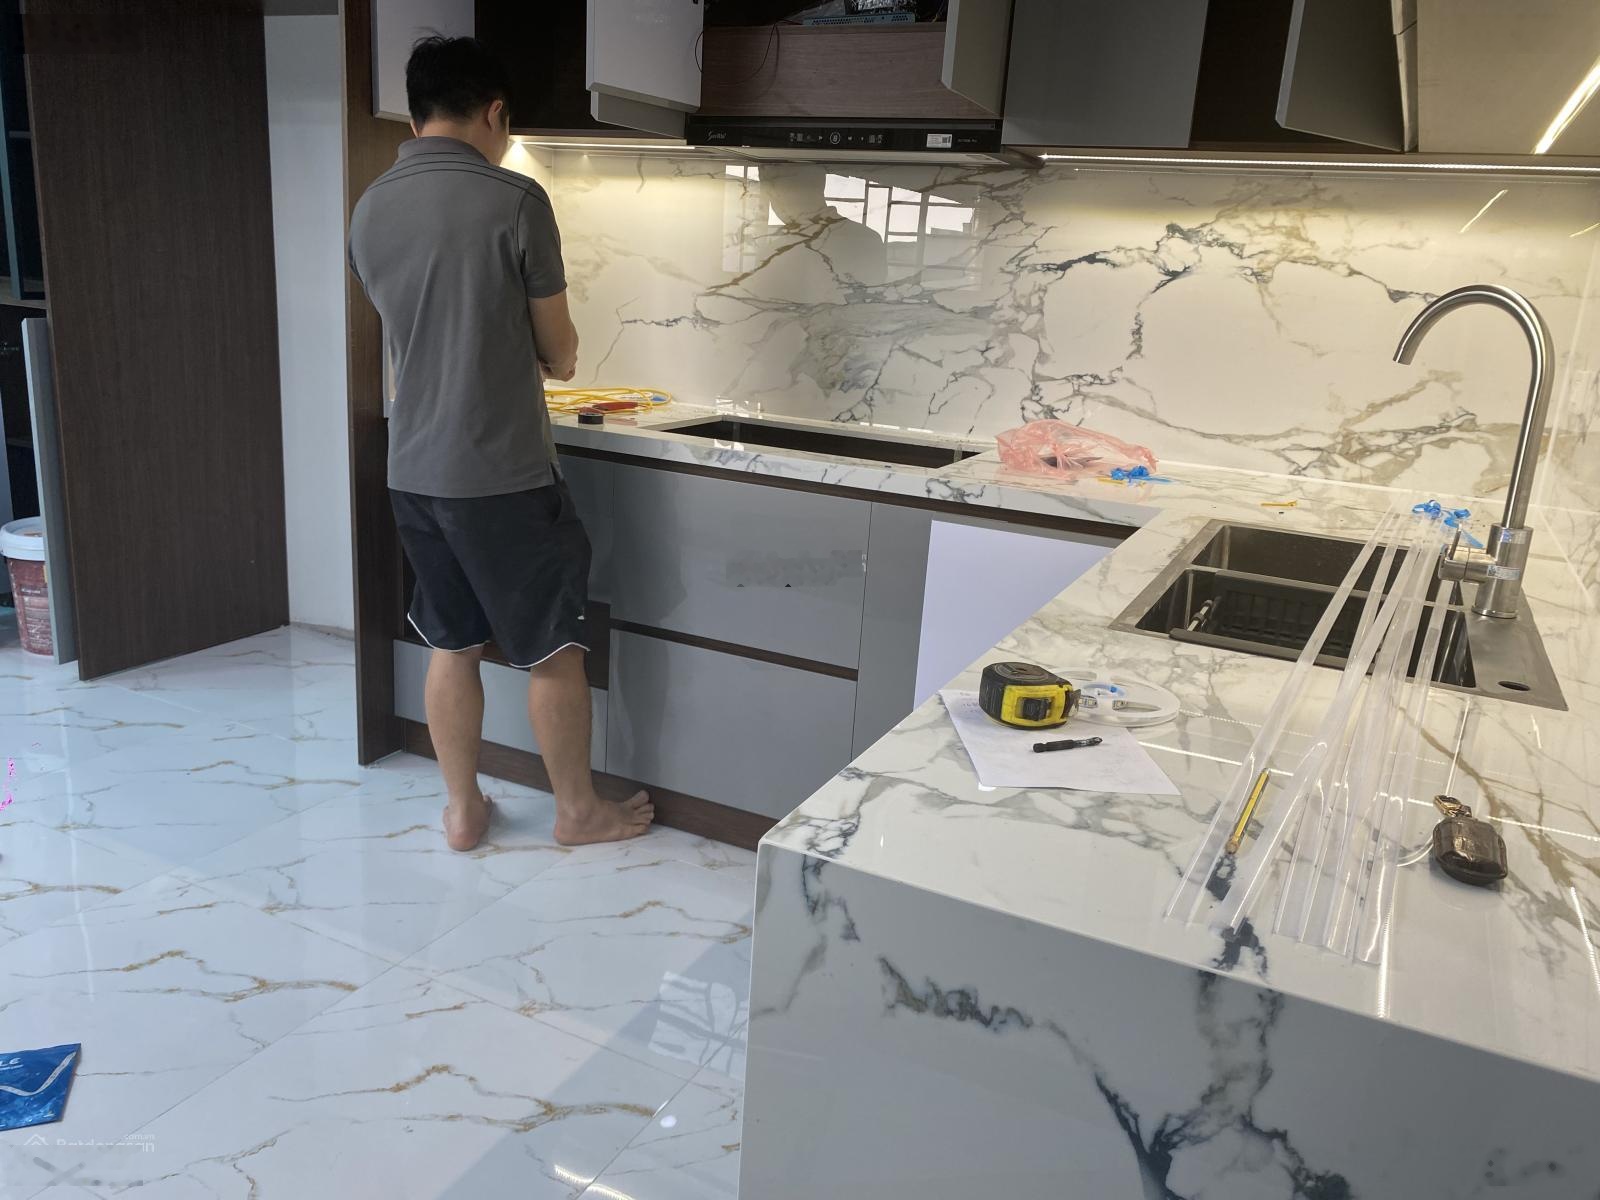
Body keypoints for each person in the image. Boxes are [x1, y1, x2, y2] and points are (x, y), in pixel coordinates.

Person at [347, 36, 652, 851]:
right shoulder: (514, 199)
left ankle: (462, 810)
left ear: (417, 113)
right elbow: (560, 348)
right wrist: (549, 356)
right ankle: (577, 811)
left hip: (413, 468)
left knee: (452, 642)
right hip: (501, 472)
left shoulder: (369, 207)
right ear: (494, 113)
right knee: (554, 648)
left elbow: (420, 324)